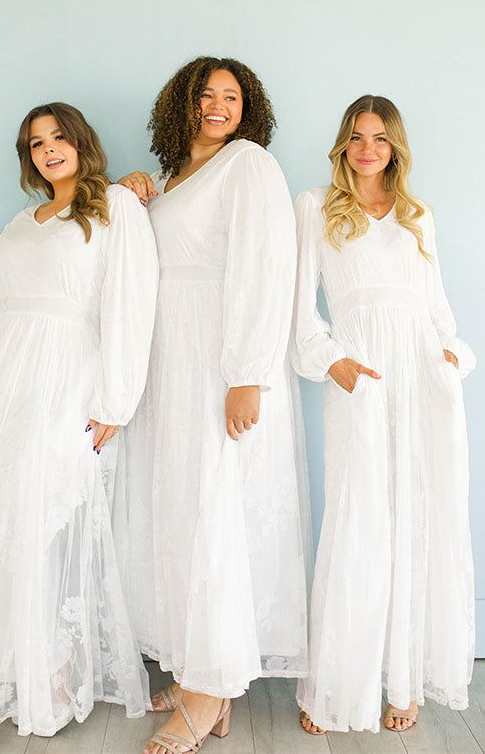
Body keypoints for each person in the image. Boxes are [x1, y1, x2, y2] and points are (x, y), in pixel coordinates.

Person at [0, 102, 158, 736]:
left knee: (39, 512)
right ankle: (17, 667)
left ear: (81, 142)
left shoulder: (115, 209)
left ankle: (51, 676)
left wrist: (116, 401)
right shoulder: (22, 224)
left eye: (57, 138)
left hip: (64, 377)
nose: (47, 150)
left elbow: (132, 304)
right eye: (34, 144)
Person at [117, 57, 311, 754]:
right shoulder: (170, 181)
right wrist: (130, 195)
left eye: (231, 96)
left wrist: (248, 372)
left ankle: (209, 691)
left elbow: (266, 264)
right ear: (182, 105)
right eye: (205, 95)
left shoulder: (248, 165)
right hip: (169, 363)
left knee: (215, 510)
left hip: (219, 359)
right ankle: (201, 669)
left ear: (247, 109)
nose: (217, 106)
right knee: (176, 512)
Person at [293, 95, 476, 735]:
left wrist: (450, 359)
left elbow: (440, 313)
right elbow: (299, 313)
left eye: (381, 137)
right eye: (357, 136)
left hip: (423, 377)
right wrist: (333, 364)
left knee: (415, 517)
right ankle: (338, 685)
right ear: (343, 143)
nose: (368, 148)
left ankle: (404, 678)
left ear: (396, 146)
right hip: (361, 379)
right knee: (359, 517)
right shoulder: (315, 207)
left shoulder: (417, 216)